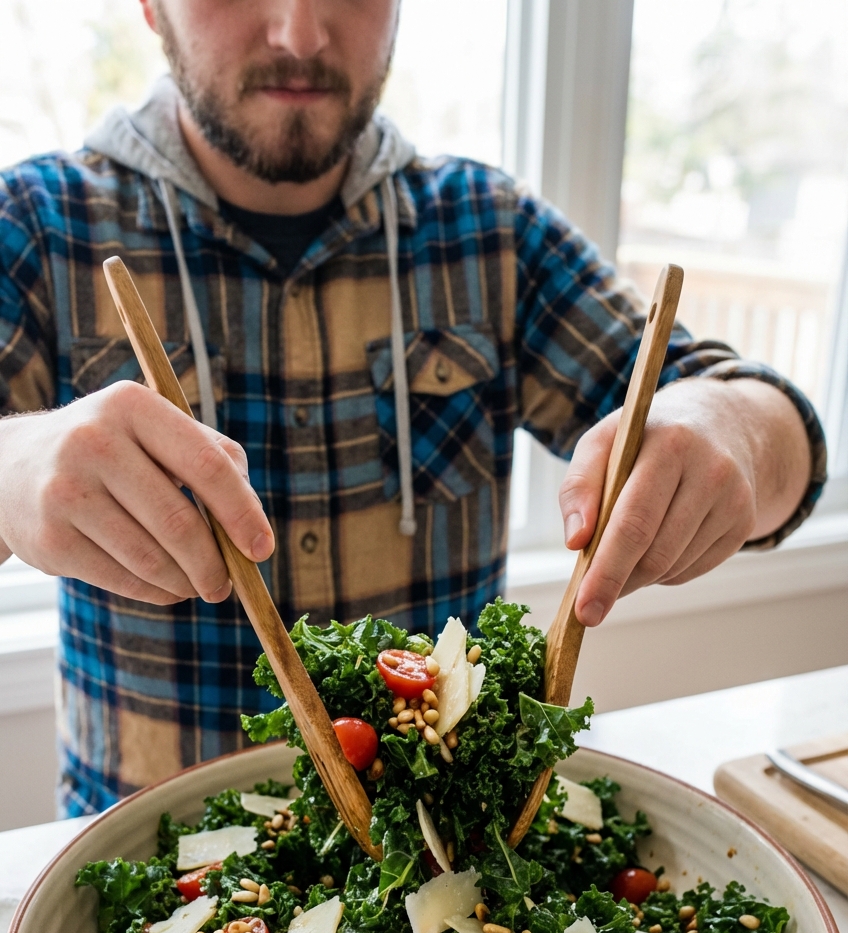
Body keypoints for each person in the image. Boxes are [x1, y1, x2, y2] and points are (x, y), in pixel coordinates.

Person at [0, 0, 825, 817]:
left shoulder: (488, 231)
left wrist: (735, 435)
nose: (300, 35)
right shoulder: (40, 226)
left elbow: (772, 431)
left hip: (442, 871)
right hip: (137, 871)